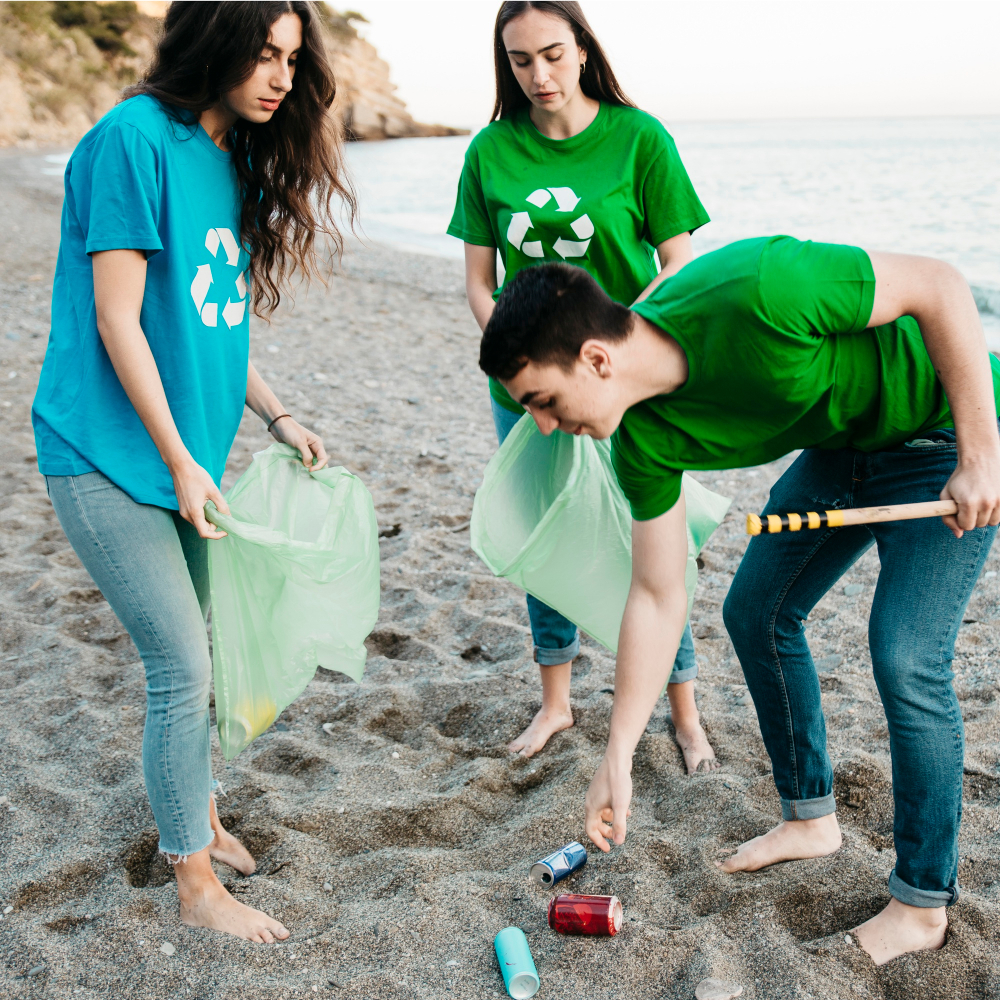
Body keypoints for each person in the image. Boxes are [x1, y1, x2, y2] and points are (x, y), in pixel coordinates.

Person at [476, 236, 1000, 965]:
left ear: (595, 359)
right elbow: (657, 595)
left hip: (945, 435)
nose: (541, 425)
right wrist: (618, 752)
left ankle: (922, 904)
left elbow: (939, 285)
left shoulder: (759, 287)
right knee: (754, 611)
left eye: (543, 400)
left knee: (907, 656)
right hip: (843, 449)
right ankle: (811, 818)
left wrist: (981, 454)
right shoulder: (641, 441)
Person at [31, 1, 355, 943]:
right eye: (262, 54)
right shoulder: (131, 140)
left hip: (186, 462)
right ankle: (195, 884)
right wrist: (178, 461)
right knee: (181, 665)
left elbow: (212, 322)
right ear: (212, 42)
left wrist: (280, 416)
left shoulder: (229, 158)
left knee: (204, 656)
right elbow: (119, 320)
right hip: (107, 454)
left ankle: (201, 813)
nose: (280, 77)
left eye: (292, 59)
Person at [448, 0, 716, 767]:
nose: (539, 74)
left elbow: (681, 265)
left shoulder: (639, 138)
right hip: (528, 393)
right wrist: (517, 363)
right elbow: (478, 279)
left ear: (584, 50)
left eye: (554, 54)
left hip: (620, 384)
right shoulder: (491, 151)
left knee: (653, 537)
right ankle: (557, 704)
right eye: (521, 60)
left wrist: (622, 355)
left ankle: (683, 705)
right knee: (549, 533)